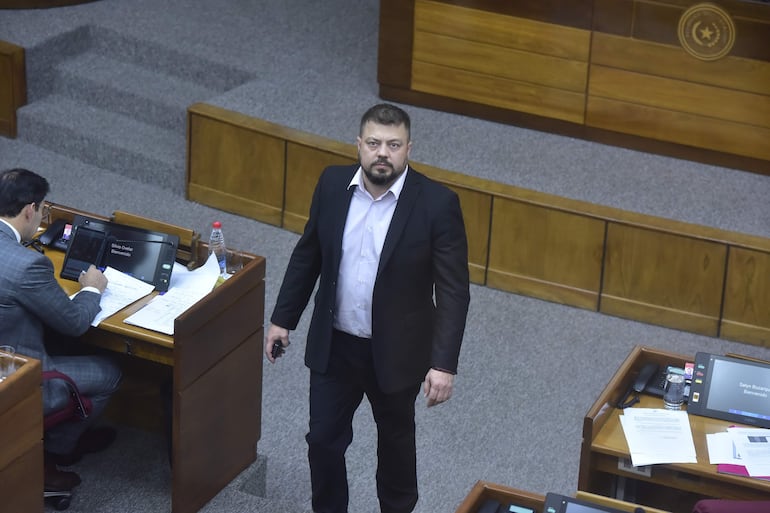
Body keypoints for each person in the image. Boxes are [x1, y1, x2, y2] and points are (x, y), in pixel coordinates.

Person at [265, 104, 471, 513]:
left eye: (393, 145)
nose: (383, 153)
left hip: (396, 352)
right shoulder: (331, 184)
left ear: (408, 148)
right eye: (374, 143)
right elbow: (308, 256)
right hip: (336, 345)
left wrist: (443, 364)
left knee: (394, 447)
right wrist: (282, 320)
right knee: (322, 442)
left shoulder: (437, 203)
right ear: (359, 145)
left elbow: (453, 291)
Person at [0, 168, 122, 491]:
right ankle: (55, 455)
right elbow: (74, 323)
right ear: (30, 210)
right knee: (110, 372)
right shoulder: (28, 266)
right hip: (16, 378)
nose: (40, 217)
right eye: (42, 211)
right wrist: (92, 289)